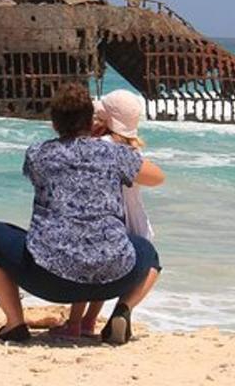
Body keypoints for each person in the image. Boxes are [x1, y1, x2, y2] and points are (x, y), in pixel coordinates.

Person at [0, 83, 165, 345]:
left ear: (54, 123)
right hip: (113, 276)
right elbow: (157, 177)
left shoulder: (37, 154)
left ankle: (15, 324)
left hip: (49, 280)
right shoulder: (114, 154)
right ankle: (122, 311)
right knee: (149, 252)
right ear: (91, 120)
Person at [54, 90, 153, 338]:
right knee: (152, 267)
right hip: (137, 230)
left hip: (107, 224)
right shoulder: (133, 152)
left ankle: (75, 323)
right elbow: (156, 178)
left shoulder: (98, 147)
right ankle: (113, 313)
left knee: (90, 268)